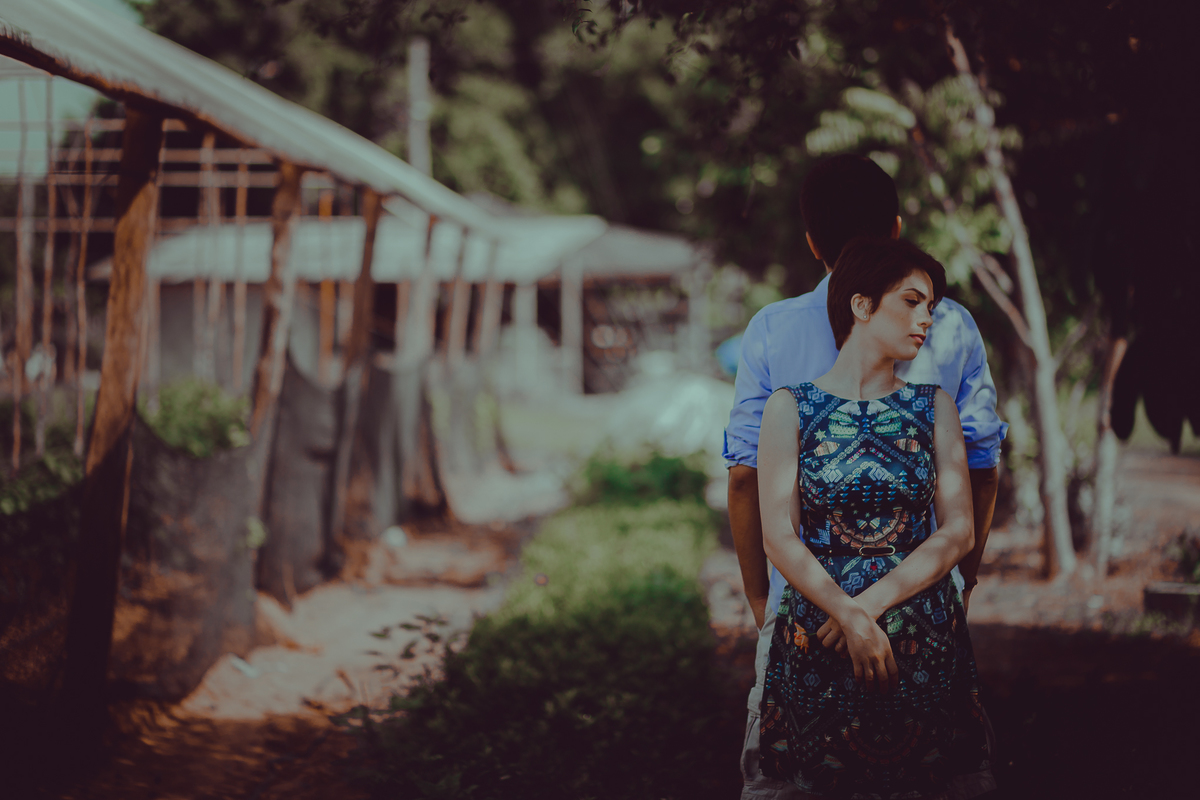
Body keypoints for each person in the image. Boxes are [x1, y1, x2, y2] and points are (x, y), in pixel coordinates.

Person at [724, 154, 1006, 799]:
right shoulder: (955, 327)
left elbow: (744, 478)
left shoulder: (771, 330)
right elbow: (982, 470)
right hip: (918, 596)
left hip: (809, 600)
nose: (922, 318)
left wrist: (765, 605)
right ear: (897, 226)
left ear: (812, 242)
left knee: (793, 777)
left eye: (924, 304)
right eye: (912, 301)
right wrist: (962, 582)